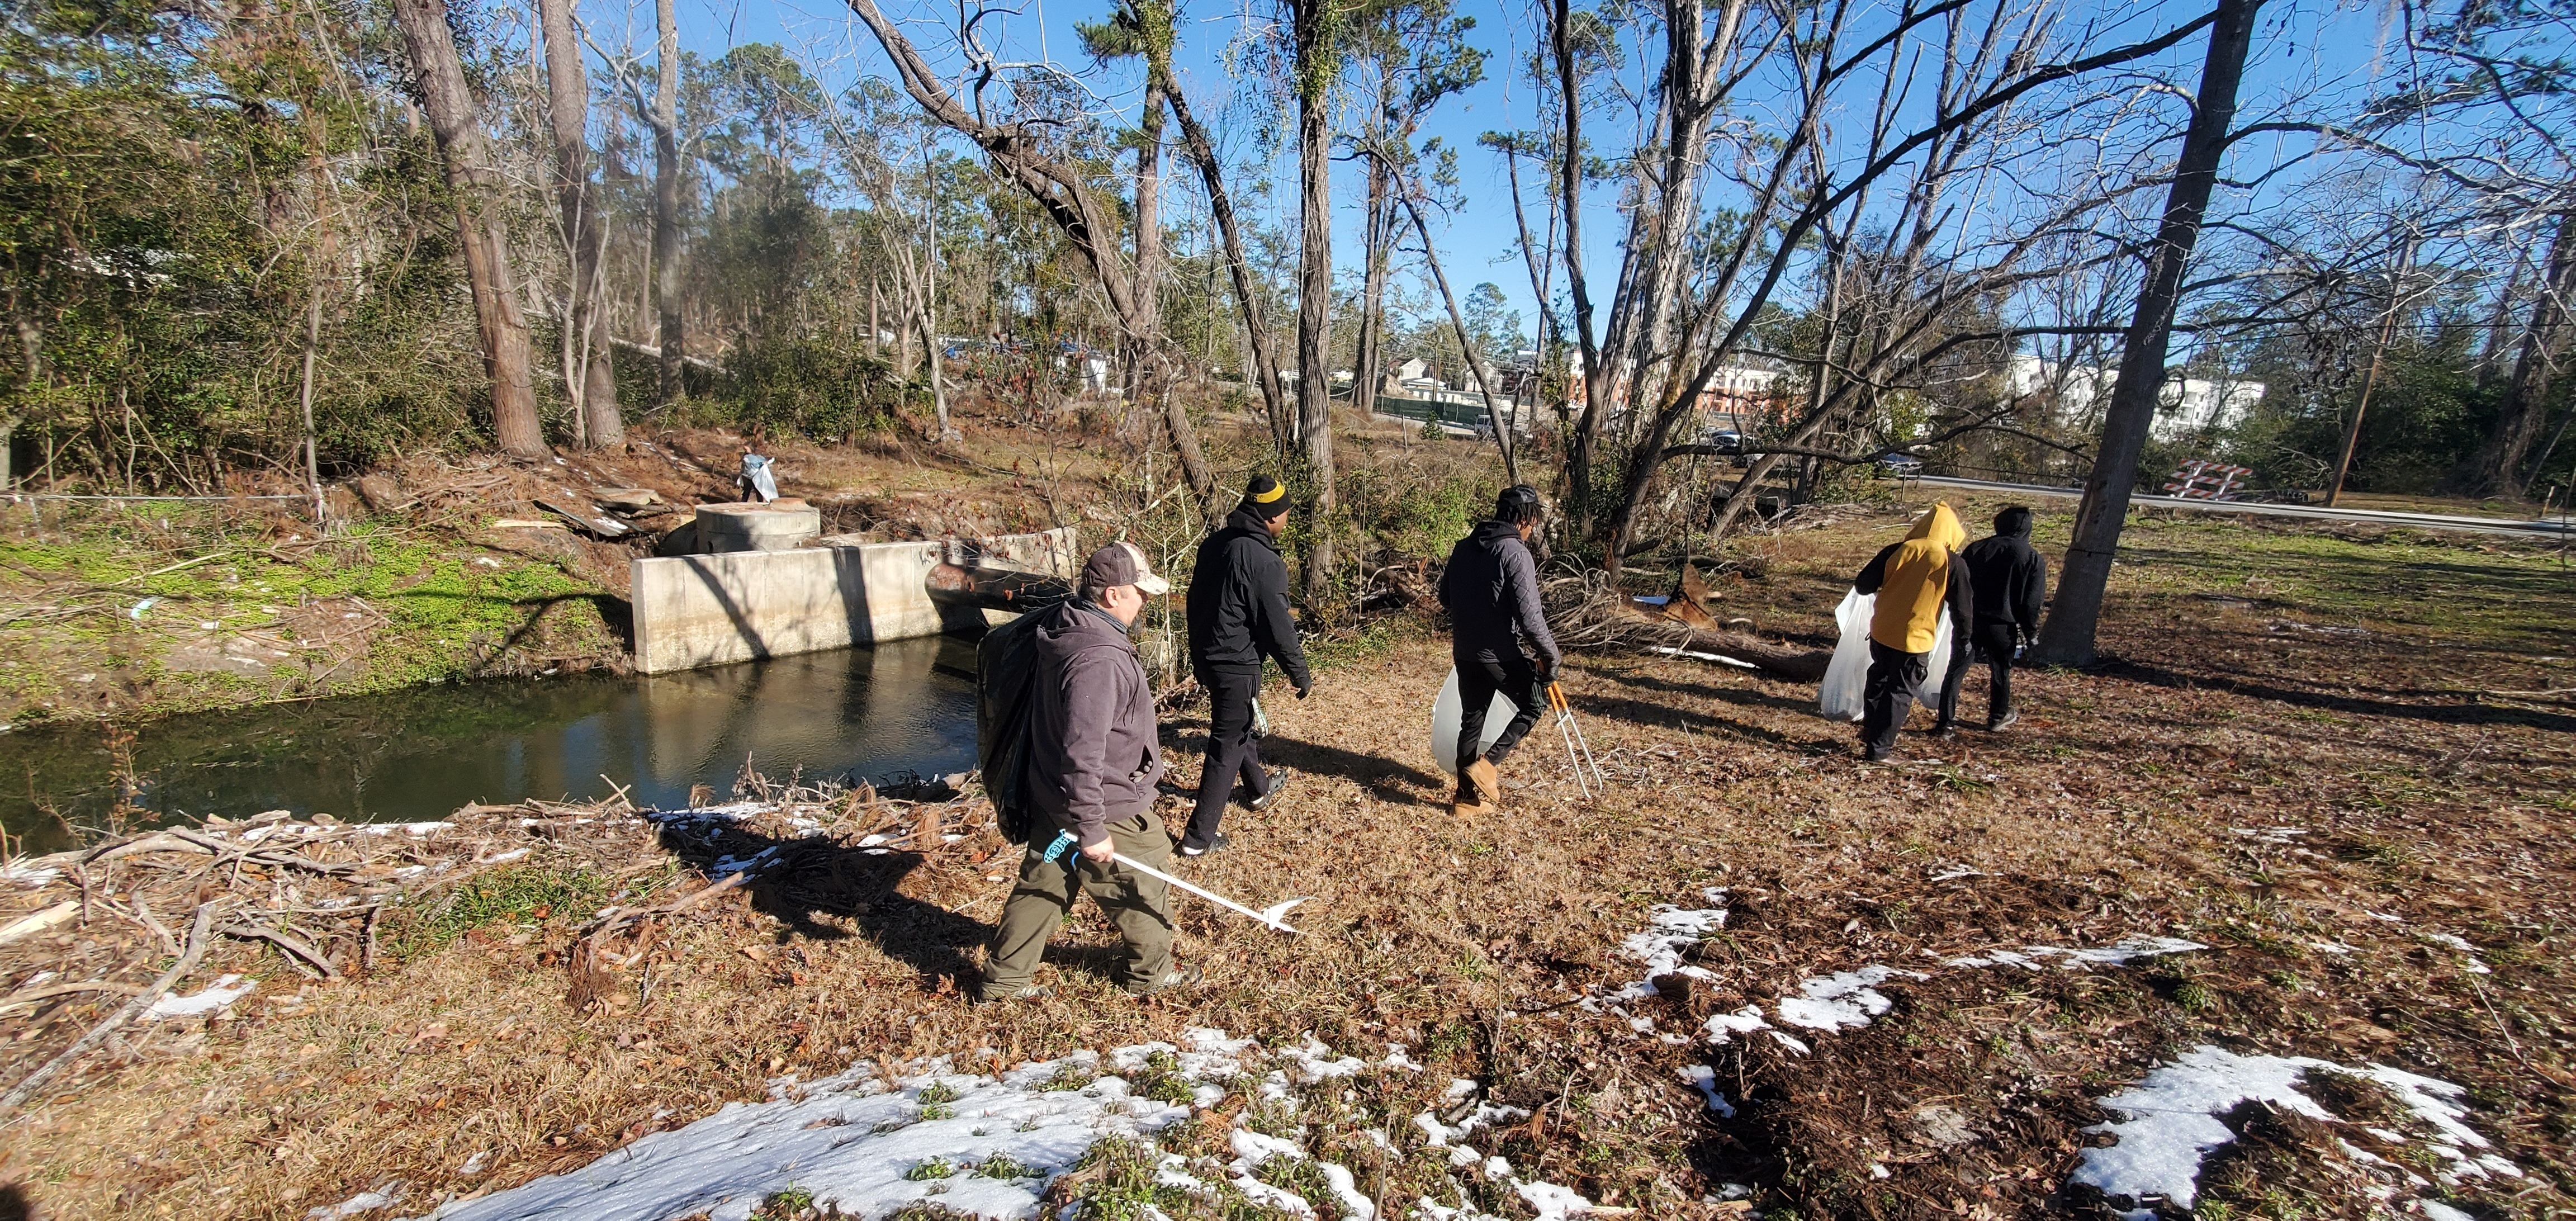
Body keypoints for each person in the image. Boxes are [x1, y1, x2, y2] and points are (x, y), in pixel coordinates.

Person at [979, 542, 1197, 1002]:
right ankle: (1152, 975)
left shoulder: (1067, 623)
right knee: (1144, 885)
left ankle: (1005, 981)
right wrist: (1092, 828)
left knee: (1046, 877)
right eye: (1140, 592)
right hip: (1104, 804)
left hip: (1055, 800)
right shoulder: (1099, 660)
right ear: (1113, 595)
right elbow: (1083, 751)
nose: (1146, 601)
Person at [1180, 475, 1312, 857]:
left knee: (1238, 728)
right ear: (1271, 517)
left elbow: (1194, 603)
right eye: (1285, 513)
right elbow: (1278, 626)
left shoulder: (1213, 546)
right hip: (1236, 664)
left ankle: (1257, 789)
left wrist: (1198, 656)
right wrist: (1299, 673)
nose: (1287, 518)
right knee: (1227, 745)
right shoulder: (1264, 561)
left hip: (1209, 657)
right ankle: (1197, 839)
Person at [1438, 485, 1562, 813]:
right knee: (1535, 703)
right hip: (1500, 655)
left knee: (1472, 722)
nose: (1532, 528)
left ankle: (1465, 800)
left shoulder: (1463, 547)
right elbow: (1531, 620)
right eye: (1532, 520)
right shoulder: (1516, 552)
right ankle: (1489, 765)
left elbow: (1445, 598)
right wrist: (1551, 657)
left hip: (1465, 653)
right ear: (1523, 518)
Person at [1851, 503, 1973, 762]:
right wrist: (1964, 641)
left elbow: (1863, 586)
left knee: (1879, 678)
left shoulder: (1897, 551)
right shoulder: (1952, 563)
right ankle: (1879, 752)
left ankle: (1870, 731)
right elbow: (1962, 610)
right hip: (1916, 639)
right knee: (1900, 692)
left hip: (1882, 630)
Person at [1938, 505, 2048, 732]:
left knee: (1956, 670)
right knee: (2001, 672)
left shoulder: (1977, 549)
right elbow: (2031, 603)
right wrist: (2031, 633)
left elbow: (1958, 585)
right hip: (2003, 626)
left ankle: (1945, 723)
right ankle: (1998, 716)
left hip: (1970, 621)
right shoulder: (2031, 557)